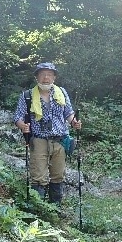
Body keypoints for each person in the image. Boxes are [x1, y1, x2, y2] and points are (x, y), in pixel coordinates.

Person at [14, 62, 81, 206]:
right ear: (37, 77)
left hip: (60, 140)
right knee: (38, 176)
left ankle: (54, 210)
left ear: (54, 77)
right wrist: (23, 126)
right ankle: (37, 210)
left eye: (49, 74)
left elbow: (68, 113)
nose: (46, 77)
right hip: (38, 140)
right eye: (42, 74)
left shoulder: (61, 93)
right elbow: (18, 117)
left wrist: (74, 122)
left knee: (58, 175)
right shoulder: (27, 95)